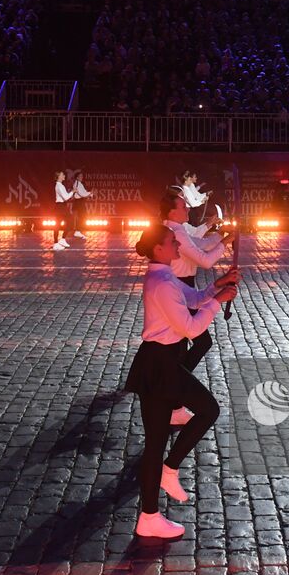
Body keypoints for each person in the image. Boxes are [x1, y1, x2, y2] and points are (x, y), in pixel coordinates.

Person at [124, 224, 238, 538]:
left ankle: (149, 517)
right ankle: (170, 468)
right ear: (159, 249)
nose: (178, 245)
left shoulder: (164, 277)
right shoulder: (161, 282)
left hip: (158, 362)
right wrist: (219, 301)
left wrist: (218, 286)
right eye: (172, 242)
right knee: (208, 410)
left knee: (155, 443)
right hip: (161, 362)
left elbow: (194, 298)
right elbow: (190, 328)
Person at [159, 188, 235, 426]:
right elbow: (204, 259)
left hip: (184, 285)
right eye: (183, 206)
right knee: (199, 342)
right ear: (172, 211)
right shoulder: (175, 231)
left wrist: (222, 239)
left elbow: (199, 243)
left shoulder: (178, 229)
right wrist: (225, 243)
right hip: (180, 287)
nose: (188, 208)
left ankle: (174, 396)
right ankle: (175, 393)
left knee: (183, 346)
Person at [51, 170, 73, 250]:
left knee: (69, 222)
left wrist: (71, 193)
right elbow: (66, 197)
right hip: (60, 207)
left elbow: (66, 196)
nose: (64, 175)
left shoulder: (61, 185)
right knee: (58, 224)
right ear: (58, 176)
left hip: (62, 206)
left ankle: (61, 240)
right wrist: (73, 192)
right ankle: (56, 243)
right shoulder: (59, 186)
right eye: (62, 174)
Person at [71, 170, 94, 239]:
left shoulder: (80, 184)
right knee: (82, 216)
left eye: (82, 176)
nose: (82, 177)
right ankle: (77, 231)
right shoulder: (76, 184)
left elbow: (84, 192)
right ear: (77, 177)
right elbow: (82, 194)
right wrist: (90, 193)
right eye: (80, 176)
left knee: (82, 216)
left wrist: (90, 193)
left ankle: (78, 231)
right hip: (78, 202)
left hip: (80, 202)